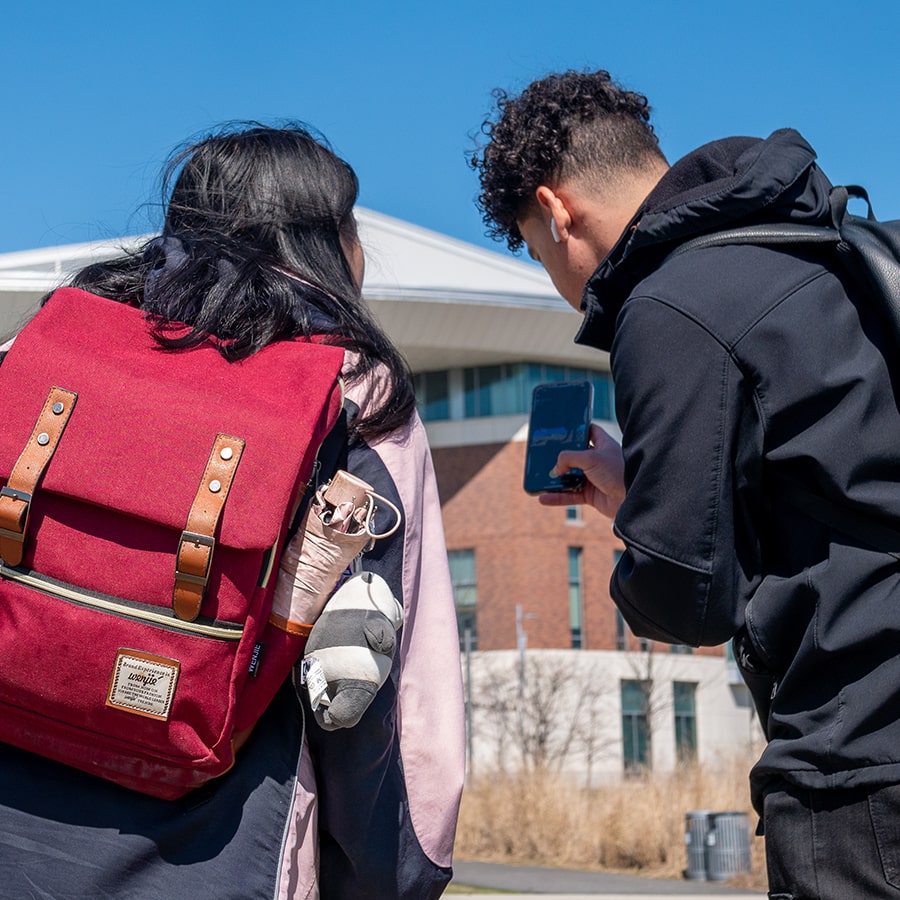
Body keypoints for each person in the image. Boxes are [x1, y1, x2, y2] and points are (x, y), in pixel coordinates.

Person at [0, 123, 465, 900]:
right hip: (221, 849)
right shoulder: (358, 398)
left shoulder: (44, 347)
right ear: (325, 241)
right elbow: (382, 686)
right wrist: (396, 878)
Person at [471, 69, 900, 898]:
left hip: (857, 758)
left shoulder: (668, 304)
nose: (559, 287)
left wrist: (638, 541)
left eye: (536, 251)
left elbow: (688, 595)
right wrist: (643, 489)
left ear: (557, 211)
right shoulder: (816, 242)